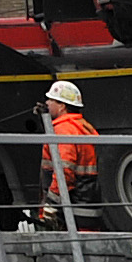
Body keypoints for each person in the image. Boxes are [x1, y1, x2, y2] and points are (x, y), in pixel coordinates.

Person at [40, 77, 100, 230]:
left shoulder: (63, 130)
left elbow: (64, 170)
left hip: (73, 202)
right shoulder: (83, 126)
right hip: (88, 199)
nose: (47, 103)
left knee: (75, 245)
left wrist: (51, 204)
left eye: (51, 100)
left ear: (62, 106)